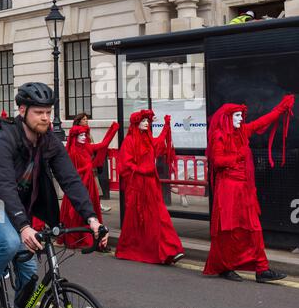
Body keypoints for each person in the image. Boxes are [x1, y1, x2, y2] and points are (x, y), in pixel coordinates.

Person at [0, 82, 107, 305]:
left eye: (48, 112)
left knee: (29, 272)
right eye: (39, 112)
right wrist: (24, 226)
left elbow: (71, 180)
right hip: (1, 203)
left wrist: (92, 218)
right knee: (10, 242)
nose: (46, 118)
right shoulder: (6, 136)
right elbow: (5, 185)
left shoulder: (48, 141)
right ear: (22, 110)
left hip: (19, 209)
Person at [203, 94, 295, 283]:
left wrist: (280, 109)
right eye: (236, 116)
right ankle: (225, 267)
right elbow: (217, 161)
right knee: (228, 230)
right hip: (228, 189)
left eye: (240, 115)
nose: (240, 119)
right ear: (227, 118)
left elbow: (261, 122)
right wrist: (236, 157)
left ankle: (262, 269)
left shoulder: (243, 132)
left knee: (254, 228)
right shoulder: (219, 136)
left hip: (244, 189)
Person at [115, 109, 184, 265]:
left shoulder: (147, 138)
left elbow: (158, 143)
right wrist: (141, 170)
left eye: (148, 121)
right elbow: (125, 164)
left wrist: (166, 126)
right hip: (137, 186)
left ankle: (171, 250)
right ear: (136, 123)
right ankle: (134, 249)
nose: (147, 123)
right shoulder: (130, 141)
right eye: (144, 121)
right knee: (136, 219)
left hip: (151, 185)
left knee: (160, 217)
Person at [57, 120, 119, 249]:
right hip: (77, 183)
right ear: (75, 137)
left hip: (89, 182)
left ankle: (90, 234)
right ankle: (75, 235)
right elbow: (70, 171)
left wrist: (113, 129)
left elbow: (103, 144)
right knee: (75, 209)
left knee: (90, 208)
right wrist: (85, 168)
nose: (84, 137)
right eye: (81, 135)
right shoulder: (71, 152)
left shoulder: (87, 147)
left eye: (85, 135)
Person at [72, 112, 111, 213]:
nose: (86, 121)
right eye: (84, 119)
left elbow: (97, 145)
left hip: (90, 162)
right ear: (79, 121)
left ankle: (97, 204)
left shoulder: (87, 133)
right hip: (84, 165)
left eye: (86, 119)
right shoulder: (77, 134)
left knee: (95, 186)